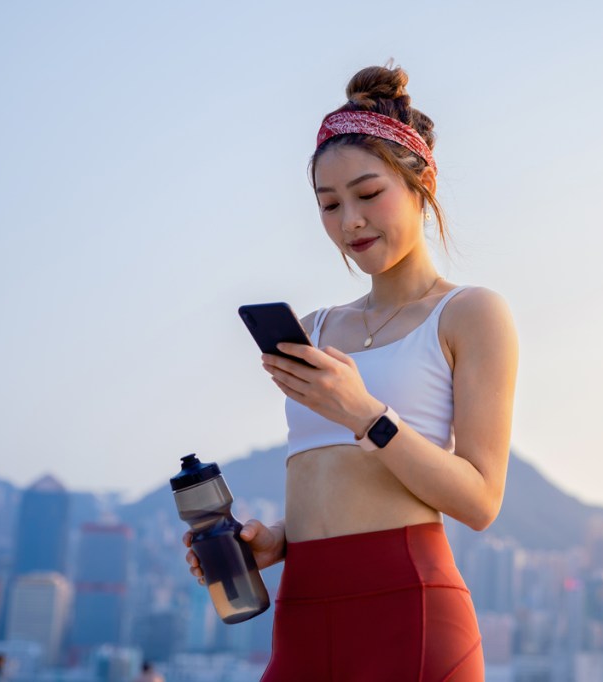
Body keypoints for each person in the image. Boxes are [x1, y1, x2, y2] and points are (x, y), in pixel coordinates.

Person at [184, 63, 518, 681]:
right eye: (329, 204)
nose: (350, 222)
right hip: (304, 613)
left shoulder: (469, 314)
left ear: (423, 183)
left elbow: (479, 500)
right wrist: (276, 541)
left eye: (368, 195)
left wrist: (365, 413)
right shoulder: (311, 329)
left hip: (412, 610)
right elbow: (332, 478)